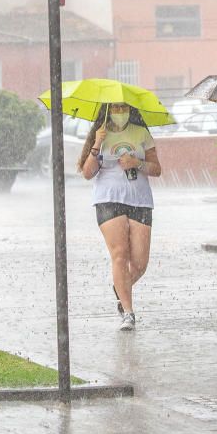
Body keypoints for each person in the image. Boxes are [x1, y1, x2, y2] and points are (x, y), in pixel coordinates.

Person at [77, 103, 162, 331]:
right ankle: (128, 312)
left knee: (140, 264)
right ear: (107, 109)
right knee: (120, 255)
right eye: (114, 107)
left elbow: (157, 169)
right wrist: (97, 143)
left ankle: (120, 287)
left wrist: (138, 163)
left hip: (140, 200)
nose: (119, 111)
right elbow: (87, 173)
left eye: (123, 107)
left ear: (131, 109)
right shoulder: (100, 134)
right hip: (108, 199)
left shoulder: (141, 133)